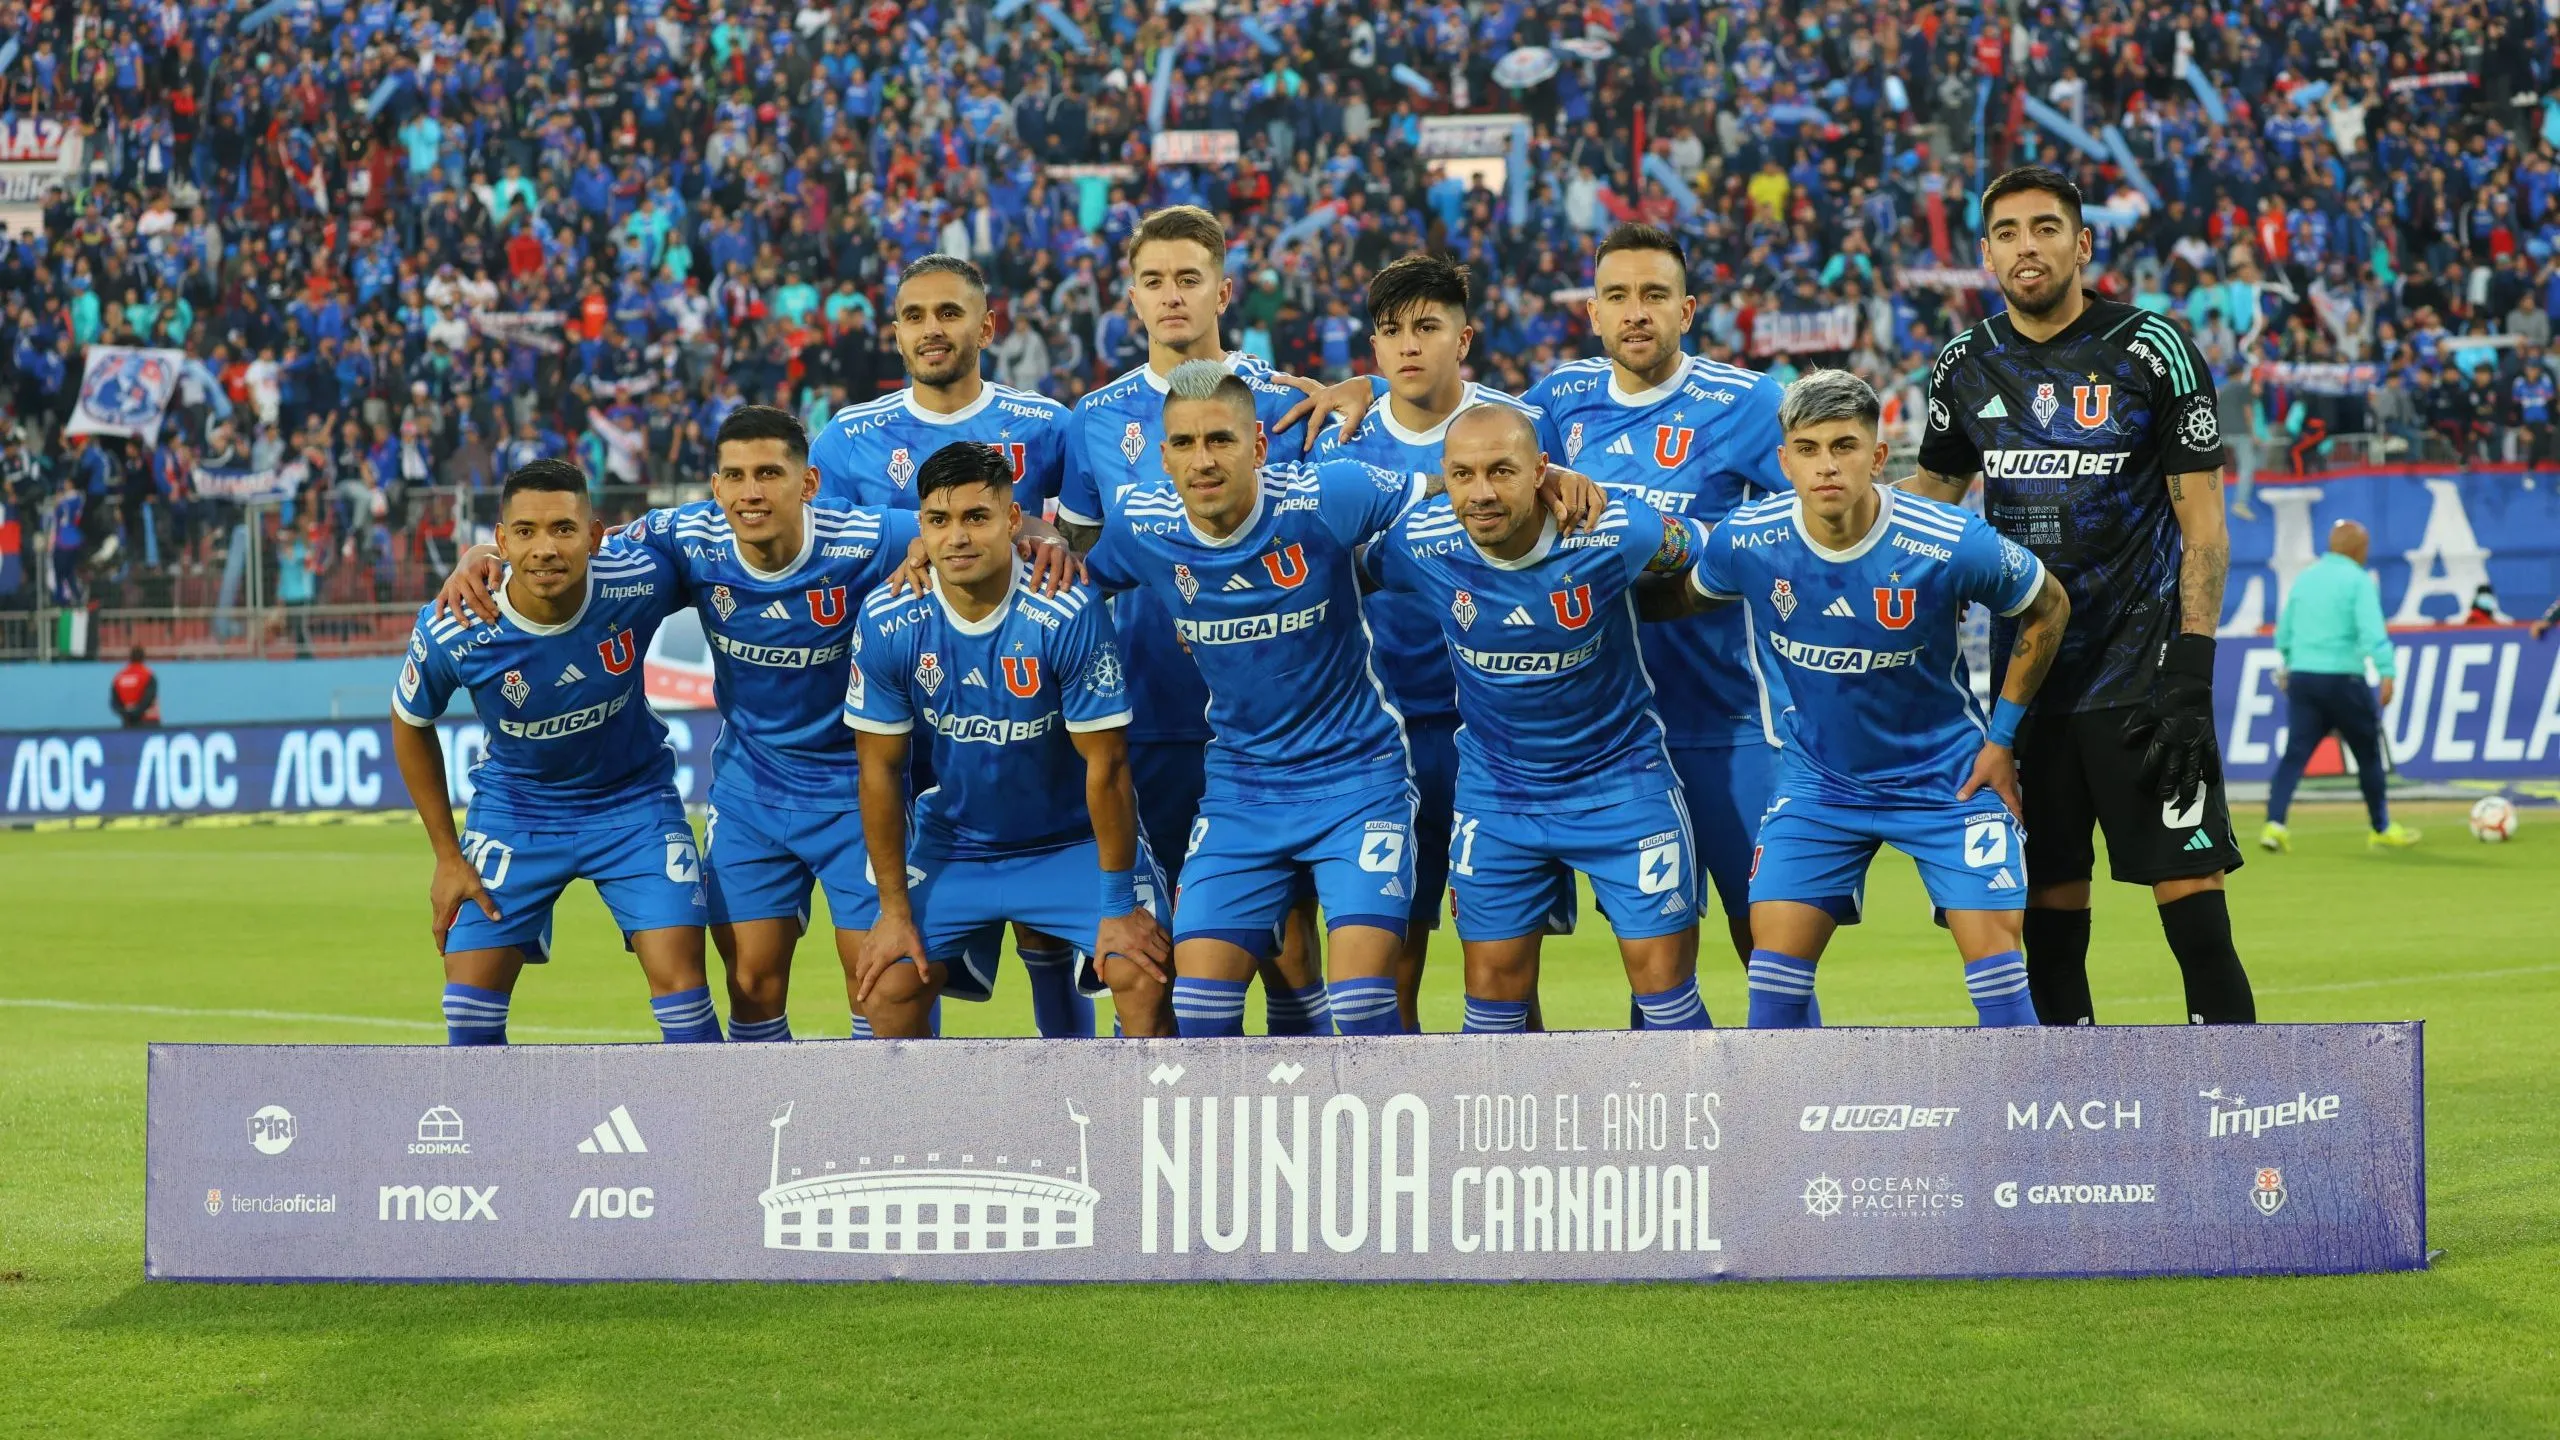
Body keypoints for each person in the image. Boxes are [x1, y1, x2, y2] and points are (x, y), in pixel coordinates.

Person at [1077, 360, 1598, 1036]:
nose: (1202, 461)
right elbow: (1069, 575)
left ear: (1259, 448)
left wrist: (1544, 477)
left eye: (1221, 441)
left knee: (1361, 1003)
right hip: (1242, 789)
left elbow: (1448, 488)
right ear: (1162, 455)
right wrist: (1028, 540)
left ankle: (1371, 1138)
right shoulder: (1141, 525)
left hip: (1357, 781)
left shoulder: (1327, 496)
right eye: (1183, 443)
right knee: (1199, 1010)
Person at [1905, 165, 2255, 1028]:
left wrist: (2192, 668)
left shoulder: (2153, 350)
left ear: (2082, 244)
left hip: (2145, 682)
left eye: (2047, 228)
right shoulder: (1964, 365)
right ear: (1986, 256)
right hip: (2032, 690)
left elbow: (2204, 527)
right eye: (2011, 233)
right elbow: (1928, 517)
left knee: (2195, 908)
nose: (2030, 246)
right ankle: (2067, 1136)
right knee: (2051, 919)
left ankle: (2246, 1120)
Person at [1054, 206, 1376, 1036]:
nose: (1171, 297)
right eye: (1154, 281)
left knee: (1292, 946)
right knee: (1166, 951)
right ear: (1130, 297)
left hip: (1283, 724)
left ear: (1223, 290)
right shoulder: (1093, 417)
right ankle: (1176, 1135)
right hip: (1151, 712)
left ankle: (1307, 1117)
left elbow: (1333, 526)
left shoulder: (1285, 401)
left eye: (1189, 279)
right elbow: (1086, 568)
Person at [1681, 370, 2071, 1025]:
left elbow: (2048, 606)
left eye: (1845, 446)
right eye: (1807, 449)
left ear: (1879, 456)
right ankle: (1783, 1129)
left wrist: (2002, 740)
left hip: (1945, 782)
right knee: (1771, 980)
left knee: (2000, 979)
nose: (1826, 465)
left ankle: (2021, 1126)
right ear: (1784, 460)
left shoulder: (1947, 540)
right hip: (1818, 785)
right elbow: (1681, 597)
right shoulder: (1746, 539)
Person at [799, 254, 1097, 1035]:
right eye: (915, 316)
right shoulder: (846, 439)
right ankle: (912, 1123)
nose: (933, 330)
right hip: (903, 706)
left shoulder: (1047, 426)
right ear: (895, 334)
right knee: (901, 955)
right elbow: (821, 555)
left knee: (1044, 931)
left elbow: (1087, 543)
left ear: (986, 326)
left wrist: (1041, 529)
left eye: (949, 314)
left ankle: (1071, 1102)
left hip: (1020, 707)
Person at [1359, 403, 1712, 1033]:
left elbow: (1710, 556)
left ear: (1540, 471)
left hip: (1622, 786)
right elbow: (1340, 573)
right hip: (1498, 797)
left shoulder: (1613, 529)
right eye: (1463, 475)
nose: (1482, 492)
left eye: (1502, 471)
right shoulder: (1421, 540)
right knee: (1492, 1007)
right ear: (1444, 477)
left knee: (1665, 995)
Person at [1522, 223, 1790, 999]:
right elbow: (1456, 433)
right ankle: (1671, 1116)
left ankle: (1793, 1113)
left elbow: (1805, 526)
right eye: (1618, 297)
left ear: (1688, 309)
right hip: (1609, 739)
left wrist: (1687, 544)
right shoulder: (1557, 402)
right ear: (1594, 314)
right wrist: (1361, 392)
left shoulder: (1746, 402)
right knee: (1656, 966)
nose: (1636, 312)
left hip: (1725, 722)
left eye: (1654, 296)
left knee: (1768, 949)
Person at [844, 442, 1174, 1037]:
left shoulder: (1066, 606)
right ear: (920, 528)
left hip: (1070, 843)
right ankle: (921, 1133)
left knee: (1141, 972)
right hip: (958, 846)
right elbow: (878, 773)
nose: (958, 537)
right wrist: (894, 912)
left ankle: (1126, 1129)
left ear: (1012, 519)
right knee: (886, 986)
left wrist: (1119, 905)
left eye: (977, 517)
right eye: (939, 521)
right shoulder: (889, 616)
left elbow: (1108, 766)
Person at [387, 459, 715, 1046]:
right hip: (517, 813)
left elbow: (728, 537)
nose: (545, 548)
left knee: (685, 995)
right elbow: (410, 721)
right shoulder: (457, 623)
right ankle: (492, 1140)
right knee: (467, 1013)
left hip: (633, 804)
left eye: (564, 529)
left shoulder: (640, 580)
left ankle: (710, 1137)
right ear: (501, 539)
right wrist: (446, 855)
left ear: (594, 535)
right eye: (527, 532)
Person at [1315, 253, 1544, 1031]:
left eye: (1428, 327)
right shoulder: (1335, 442)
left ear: (1464, 338)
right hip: (1380, 736)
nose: (1409, 345)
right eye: (1391, 333)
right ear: (1373, 352)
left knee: (1509, 964)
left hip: (1501, 731)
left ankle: (1521, 1135)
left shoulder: (1518, 430)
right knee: (1395, 955)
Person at [2262, 519, 2416, 852]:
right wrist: (2387, 672)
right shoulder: (2357, 580)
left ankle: (2274, 825)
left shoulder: (2306, 579)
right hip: (2344, 679)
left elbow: (2284, 632)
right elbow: (2372, 631)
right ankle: (2381, 827)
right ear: (2358, 548)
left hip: (2304, 677)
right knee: (2368, 756)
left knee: (2295, 754)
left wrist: (2291, 664)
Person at [110, 645, 158, 726]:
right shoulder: (148, 675)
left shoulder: (119, 677)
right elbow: (149, 698)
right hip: (147, 721)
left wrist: (126, 714)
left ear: (129, 657)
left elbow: (114, 702)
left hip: (127, 722)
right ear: (143, 657)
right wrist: (137, 713)